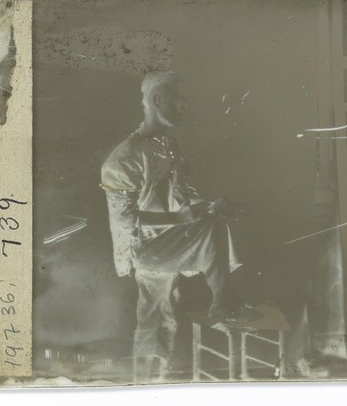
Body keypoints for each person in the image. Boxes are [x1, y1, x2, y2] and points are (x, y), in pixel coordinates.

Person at [101, 71, 247, 381]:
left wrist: (209, 206)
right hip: (147, 249)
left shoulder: (169, 145)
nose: (185, 107)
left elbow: (184, 197)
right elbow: (125, 218)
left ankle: (157, 381)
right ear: (157, 100)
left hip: (172, 241)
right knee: (155, 317)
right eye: (179, 101)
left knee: (161, 316)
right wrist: (180, 220)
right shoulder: (125, 157)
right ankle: (145, 383)